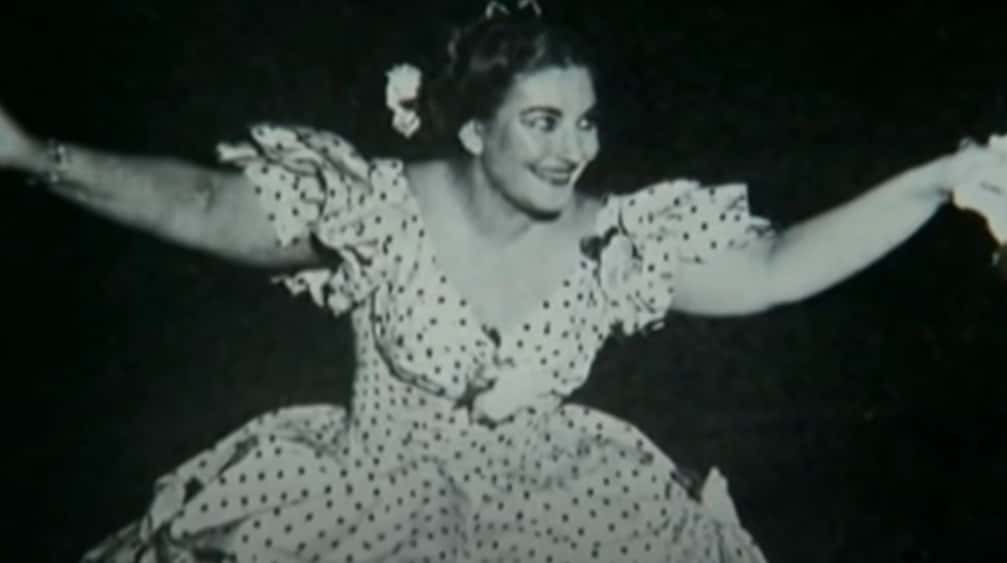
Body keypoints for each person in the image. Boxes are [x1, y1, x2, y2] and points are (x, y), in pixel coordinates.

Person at [2, 3, 1005, 562]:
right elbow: (198, 201)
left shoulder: (615, 238)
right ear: (476, 128)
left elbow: (775, 266)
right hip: (356, 504)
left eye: (585, 121)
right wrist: (30, 153)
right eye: (542, 121)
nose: (573, 148)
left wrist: (938, 180)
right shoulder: (371, 206)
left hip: (563, 511)